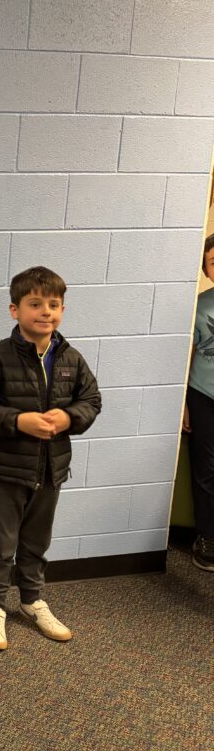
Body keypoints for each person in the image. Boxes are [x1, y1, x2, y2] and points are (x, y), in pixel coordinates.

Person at [0, 266, 101, 651]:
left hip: (51, 469)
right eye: (35, 304)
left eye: (54, 304)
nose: (46, 312)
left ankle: (31, 600)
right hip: (7, 469)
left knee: (37, 542)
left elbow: (92, 401)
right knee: (2, 545)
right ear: (14, 310)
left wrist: (70, 417)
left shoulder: (71, 358)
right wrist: (18, 421)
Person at [182, 234, 214, 572]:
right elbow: (187, 355)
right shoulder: (200, 306)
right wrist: (184, 405)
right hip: (203, 393)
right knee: (205, 469)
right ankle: (207, 536)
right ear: (206, 269)